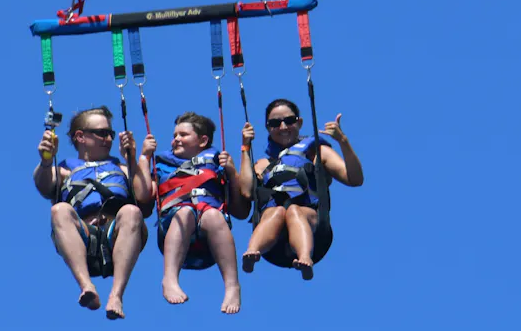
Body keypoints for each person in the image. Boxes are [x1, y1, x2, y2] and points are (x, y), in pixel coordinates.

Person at [34, 106, 152, 319]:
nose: (109, 139)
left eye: (110, 133)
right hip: (84, 236)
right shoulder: (65, 170)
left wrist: (132, 158)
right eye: (102, 133)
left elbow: (144, 195)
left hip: (116, 234)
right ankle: (86, 286)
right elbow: (43, 186)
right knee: (59, 210)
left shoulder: (122, 168)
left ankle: (116, 295)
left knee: (132, 211)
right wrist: (46, 160)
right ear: (80, 136)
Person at [239, 98, 364, 280]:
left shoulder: (315, 153)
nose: (283, 127)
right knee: (276, 212)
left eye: (289, 121)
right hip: (274, 239)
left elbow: (355, 179)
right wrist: (245, 147)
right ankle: (252, 251)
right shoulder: (263, 164)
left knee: (293, 211)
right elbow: (246, 191)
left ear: (300, 122)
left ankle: (304, 257)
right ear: (268, 128)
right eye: (275, 123)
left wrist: (342, 141)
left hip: (311, 223)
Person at [140, 112, 251, 314]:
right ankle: (170, 279)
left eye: (183, 135)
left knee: (213, 215)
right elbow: (143, 198)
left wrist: (232, 173)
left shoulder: (217, 163)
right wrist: (144, 158)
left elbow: (242, 210)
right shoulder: (161, 165)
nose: (176, 139)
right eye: (174, 135)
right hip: (175, 222)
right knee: (185, 212)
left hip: (209, 228)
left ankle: (232, 286)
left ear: (203, 141)